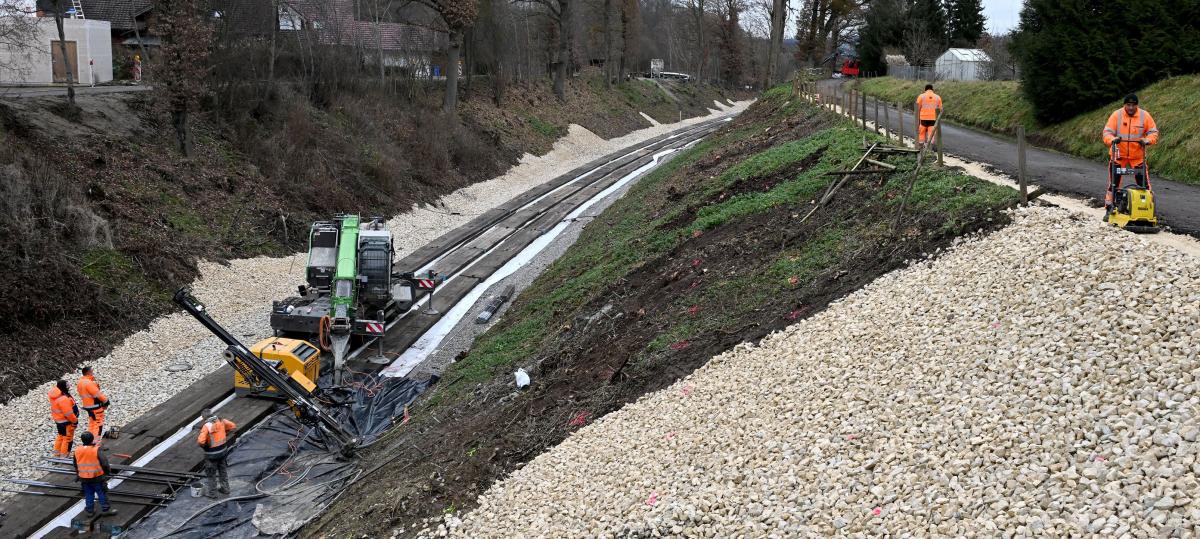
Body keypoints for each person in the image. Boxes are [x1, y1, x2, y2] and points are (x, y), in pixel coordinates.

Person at [1102, 93, 1159, 217]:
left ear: (1137, 105)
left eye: (1133, 105)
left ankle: (1148, 209)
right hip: (1118, 155)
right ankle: (1110, 208)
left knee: (1144, 184)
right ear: (1124, 105)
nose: (1131, 108)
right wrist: (1112, 140)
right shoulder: (1116, 115)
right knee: (1114, 183)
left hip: (1137, 156)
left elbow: (1153, 132)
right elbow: (1107, 132)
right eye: (1128, 105)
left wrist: (1147, 140)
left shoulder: (1145, 116)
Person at [74, 432, 117, 518]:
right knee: (101, 493)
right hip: (97, 477)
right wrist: (107, 472)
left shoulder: (77, 450)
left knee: (89, 494)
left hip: (84, 478)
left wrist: (78, 474)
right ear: (92, 439)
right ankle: (106, 510)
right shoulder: (96, 450)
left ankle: (90, 511)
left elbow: (75, 464)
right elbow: (104, 463)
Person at [197, 409, 236, 496]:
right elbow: (233, 426)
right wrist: (226, 434)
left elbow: (201, 441)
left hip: (211, 455)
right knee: (222, 471)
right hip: (222, 452)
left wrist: (205, 447)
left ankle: (212, 494)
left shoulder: (206, 426)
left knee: (211, 474)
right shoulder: (221, 420)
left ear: (203, 417)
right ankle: (225, 489)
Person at [77, 366, 110, 439]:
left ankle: (89, 440)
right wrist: (106, 401)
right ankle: (95, 442)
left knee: (92, 423)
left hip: (88, 406)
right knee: (98, 424)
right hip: (95, 406)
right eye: (92, 371)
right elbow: (97, 394)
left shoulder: (80, 382)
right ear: (88, 372)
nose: (93, 372)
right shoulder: (89, 383)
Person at [51, 380, 79, 457]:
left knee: (60, 436)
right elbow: (68, 413)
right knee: (66, 438)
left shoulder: (55, 396)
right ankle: (64, 456)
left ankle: (56, 454)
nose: (69, 386)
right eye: (67, 385)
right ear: (64, 387)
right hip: (66, 422)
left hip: (59, 421)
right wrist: (75, 421)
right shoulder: (64, 398)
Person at [915, 84, 942, 150]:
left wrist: (917, 119)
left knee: (922, 132)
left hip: (923, 118)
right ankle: (930, 148)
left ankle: (920, 146)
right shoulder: (937, 97)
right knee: (931, 133)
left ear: (925, 89)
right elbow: (940, 109)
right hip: (933, 119)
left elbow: (917, 108)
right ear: (932, 89)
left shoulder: (921, 96)